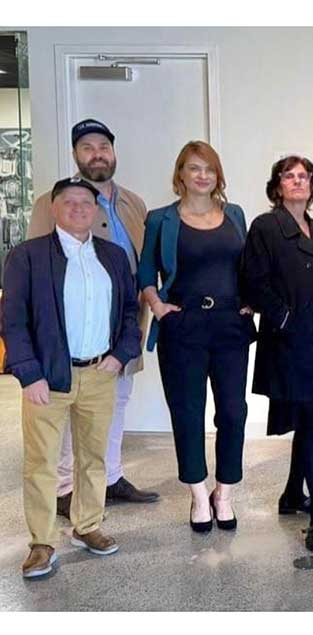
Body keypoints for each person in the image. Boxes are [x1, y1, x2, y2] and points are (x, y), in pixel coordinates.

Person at [2, 177, 141, 578]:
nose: (79, 208)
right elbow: (12, 320)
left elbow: (129, 312)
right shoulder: (27, 256)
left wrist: (120, 355)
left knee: (93, 457)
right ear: (54, 208)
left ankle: (88, 525)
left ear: (95, 211)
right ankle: (42, 543)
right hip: (47, 378)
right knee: (42, 462)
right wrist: (28, 373)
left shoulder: (113, 256)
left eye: (86, 202)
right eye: (69, 201)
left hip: (100, 373)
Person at [26, 118, 158, 516]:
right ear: (75, 155)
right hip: (72, 329)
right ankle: (67, 488)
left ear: (113, 153)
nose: (97, 154)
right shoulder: (52, 202)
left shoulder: (134, 203)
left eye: (103, 147)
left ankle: (111, 477)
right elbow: (34, 269)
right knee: (71, 409)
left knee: (116, 401)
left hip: (123, 324)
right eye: (87, 147)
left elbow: (144, 262)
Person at [137, 141, 253, 533]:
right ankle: (199, 494)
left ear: (218, 175)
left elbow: (247, 266)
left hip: (230, 325)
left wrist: (250, 301)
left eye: (209, 168)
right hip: (183, 326)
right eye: (194, 168)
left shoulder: (235, 215)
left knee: (233, 412)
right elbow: (146, 272)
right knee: (187, 412)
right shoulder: (161, 220)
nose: (202, 175)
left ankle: (225, 492)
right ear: (181, 175)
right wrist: (158, 306)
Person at [241, 155, 313, 553]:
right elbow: (253, 281)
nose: (298, 182)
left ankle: (291, 496)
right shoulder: (266, 226)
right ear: (278, 186)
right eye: (290, 176)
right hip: (291, 343)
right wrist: (285, 318)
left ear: (312, 186)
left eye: (304, 177)